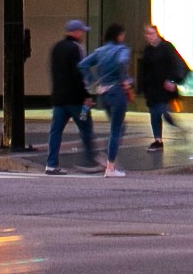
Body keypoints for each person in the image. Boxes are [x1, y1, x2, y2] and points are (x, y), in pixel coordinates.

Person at [45, 20, 97, 174]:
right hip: (77, 101)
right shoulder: (76, 48)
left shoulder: (56, 47)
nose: (82, 34)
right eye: (81, 31)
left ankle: (51, 164)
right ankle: (88, 161)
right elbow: (79, 74)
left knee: (56, 131)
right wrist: (86, 96)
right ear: (75, 32)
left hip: (59, 99)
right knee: (85, 126)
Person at [83, 24, 135, 175]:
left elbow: (83, 64)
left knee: (117, 126)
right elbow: (121, 62)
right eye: (122, 35)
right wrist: (124, 79)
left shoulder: (99, 51)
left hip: (103, 92)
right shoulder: (122, 50)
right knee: (116, 129)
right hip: (116, 90)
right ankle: (110, 166)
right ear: (119, 36)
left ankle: (108, 159)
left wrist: (92, 80)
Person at [137, 24, 191, 148]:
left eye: (151, 34)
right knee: (154, 113)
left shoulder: (166, 47)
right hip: (152, 88)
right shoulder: (147, 50)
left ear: (157, 33)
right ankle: (158, 139)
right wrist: (143, 87)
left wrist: (173, 80)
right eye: (147, 34)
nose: (149, 37)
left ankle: (176, 127)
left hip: (164, 87)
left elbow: (177, 63)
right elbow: (144, 70)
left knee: (162, 110)